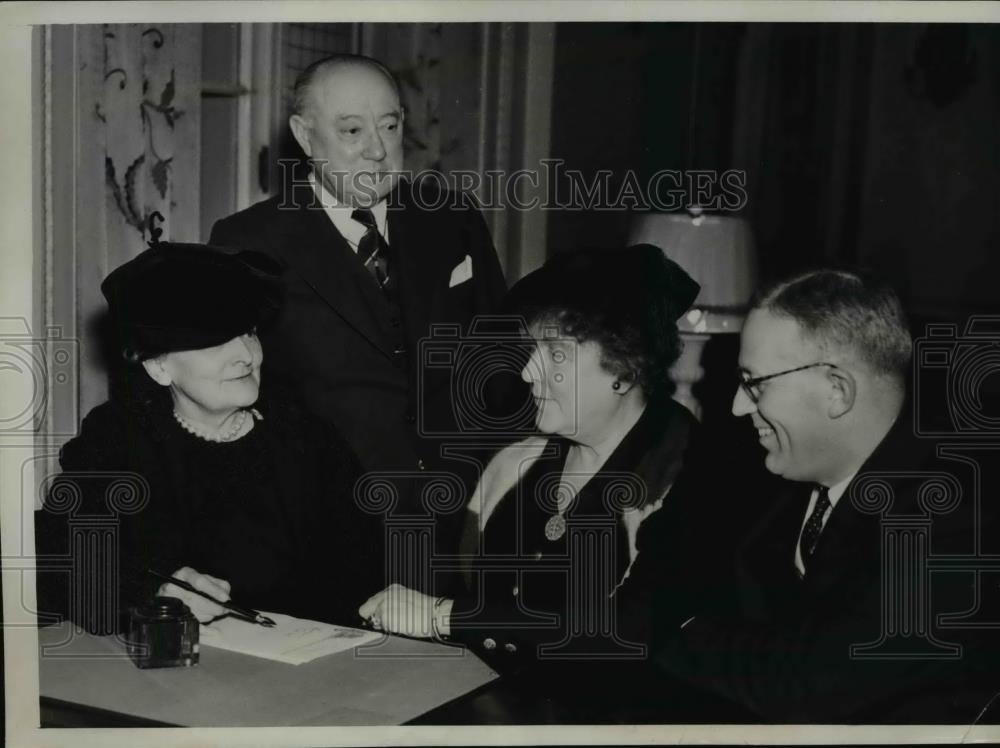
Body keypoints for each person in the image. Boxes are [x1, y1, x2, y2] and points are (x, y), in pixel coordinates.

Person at [640, 269, 997, 723]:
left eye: (756, 383)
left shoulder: (955, 520)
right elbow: (667, 559)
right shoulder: (775, 472)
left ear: (836, 390)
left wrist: (675, 628)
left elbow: (810, 686)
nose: (738, 406)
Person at [358, 244, 701, 688]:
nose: (527, 372)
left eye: (556, 354)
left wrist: (443, 617)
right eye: (533, 349)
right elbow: (449, 578)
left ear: (626, 367)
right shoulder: (518, 459)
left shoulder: (688, 471)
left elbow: (630, 630)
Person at [208, 53, 509, 524]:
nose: (377, 150)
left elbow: (500, 354)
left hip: (464, 513)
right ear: (305, 136)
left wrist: (495, 479)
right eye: (352, 131)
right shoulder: (248, 241)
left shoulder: (451, 217)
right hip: (326, 524)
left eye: (389, 127)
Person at [35, 242, 382, 634]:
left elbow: (367, 568)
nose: (246, 355)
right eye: (215, 342)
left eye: (249, 333)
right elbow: (58, 557)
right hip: (168, 671)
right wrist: (153, 592)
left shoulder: (308, 439)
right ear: (159, 366)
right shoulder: (116, 439)